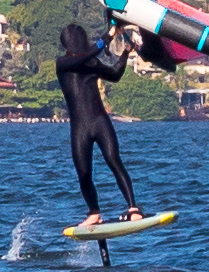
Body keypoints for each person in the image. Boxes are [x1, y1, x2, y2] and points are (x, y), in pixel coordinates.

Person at [53, 14, 142, 221]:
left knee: (114, 161)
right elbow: (90, 53)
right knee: (83, 174)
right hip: (80, 128)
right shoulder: (63, 64)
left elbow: (115, 75)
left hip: (100, 122)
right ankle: (94, 213)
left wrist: (126, 53)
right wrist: (109, 35)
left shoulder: (91, 62)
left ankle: (133, 209)